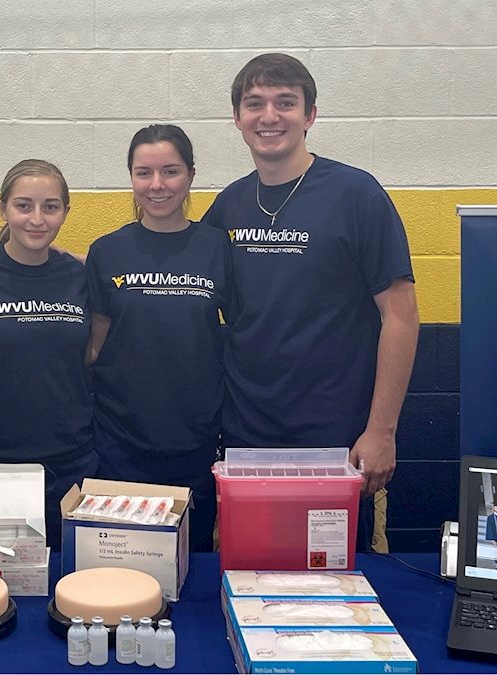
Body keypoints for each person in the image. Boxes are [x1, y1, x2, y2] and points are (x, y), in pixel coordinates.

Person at [200, 53, 418, 551]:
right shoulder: (229, 205)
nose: (269, 116)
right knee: (250, 569)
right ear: (237, 118)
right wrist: (94, 265)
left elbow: (400, 315)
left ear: (310, 115)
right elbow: (177, 273)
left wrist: (381, 430)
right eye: (254, 104)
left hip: (337, 437)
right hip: (247, 434)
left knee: (335, 582)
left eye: (285, 103)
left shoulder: (356, 195)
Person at [86, 124, 233, 552]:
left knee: (192, 569)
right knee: (125, 567)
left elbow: (241, 332)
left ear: (190, 174)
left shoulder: (216, 247)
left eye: (169, 171)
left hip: (196, 442)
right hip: (120, 444)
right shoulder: (107, 251)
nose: (157, 185)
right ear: (131, 177)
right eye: (143, 172)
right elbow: (97, 344)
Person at [0, 159, 95, 549]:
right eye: (24, 205)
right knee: (7, 582)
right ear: (3, 209)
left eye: (51, 206)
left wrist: (88, 261)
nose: (37, 219)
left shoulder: (79, 277)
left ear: (65, 212)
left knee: (68, 580)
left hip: (70, 461)